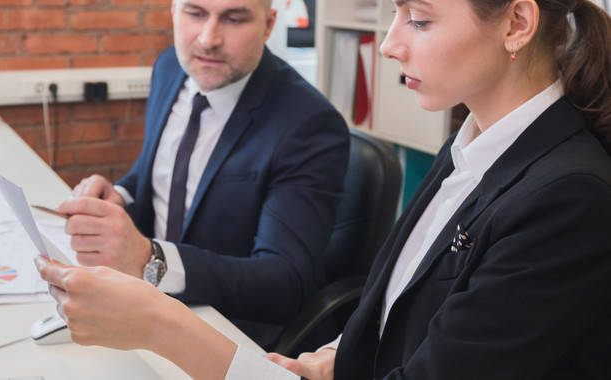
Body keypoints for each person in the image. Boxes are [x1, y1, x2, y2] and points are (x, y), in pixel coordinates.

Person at [37, 0, 611, 378]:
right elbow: (412, 310)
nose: (388, 44)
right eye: (394, 13)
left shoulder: (569, 199)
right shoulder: (473, 139)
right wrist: (341, 355)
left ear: (516, 24)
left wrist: (158, 323)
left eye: (420, 18)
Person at [55, 0, 349, 348]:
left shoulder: (309, 124)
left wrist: (151, 258)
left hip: (233, 331)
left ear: (269, 25)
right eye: (195, 13)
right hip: (148, 303)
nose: (209, 39)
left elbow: (283, 283)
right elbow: (159, 171)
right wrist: (121, 194)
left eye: (234, 18)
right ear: (173, 12)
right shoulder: (170, 67)